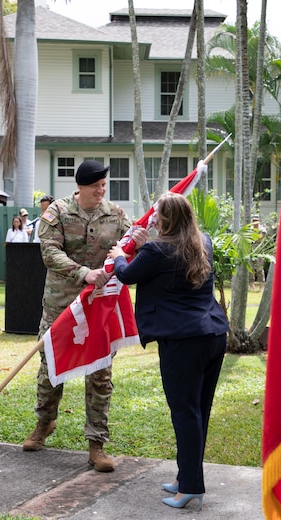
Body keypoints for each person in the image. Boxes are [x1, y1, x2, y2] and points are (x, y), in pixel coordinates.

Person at [22, 159, 147, 472]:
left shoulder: (116, 215)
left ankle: (97, 444)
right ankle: (45, 423)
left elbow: (129, 247)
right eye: (95, 187)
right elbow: (49, 252)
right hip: (61, 304)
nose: (101, 191)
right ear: (79, 187)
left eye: (104, 186)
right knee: (51, 365)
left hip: (99, 305)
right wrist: (84, 273)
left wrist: (142, 245)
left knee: (100, 371)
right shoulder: (58, 212)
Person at [108, 191, 228, 511]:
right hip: (214, 333)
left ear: (166, 220)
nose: (153, 219)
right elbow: (168, 255)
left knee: (185, 412)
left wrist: (121, 251)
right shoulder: (203, 241)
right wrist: (149, 242)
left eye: (157, 215)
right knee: (197, 411)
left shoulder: (157, 250)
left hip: (183, 341)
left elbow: (126, 274)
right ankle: (186, 476)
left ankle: (189, 487)